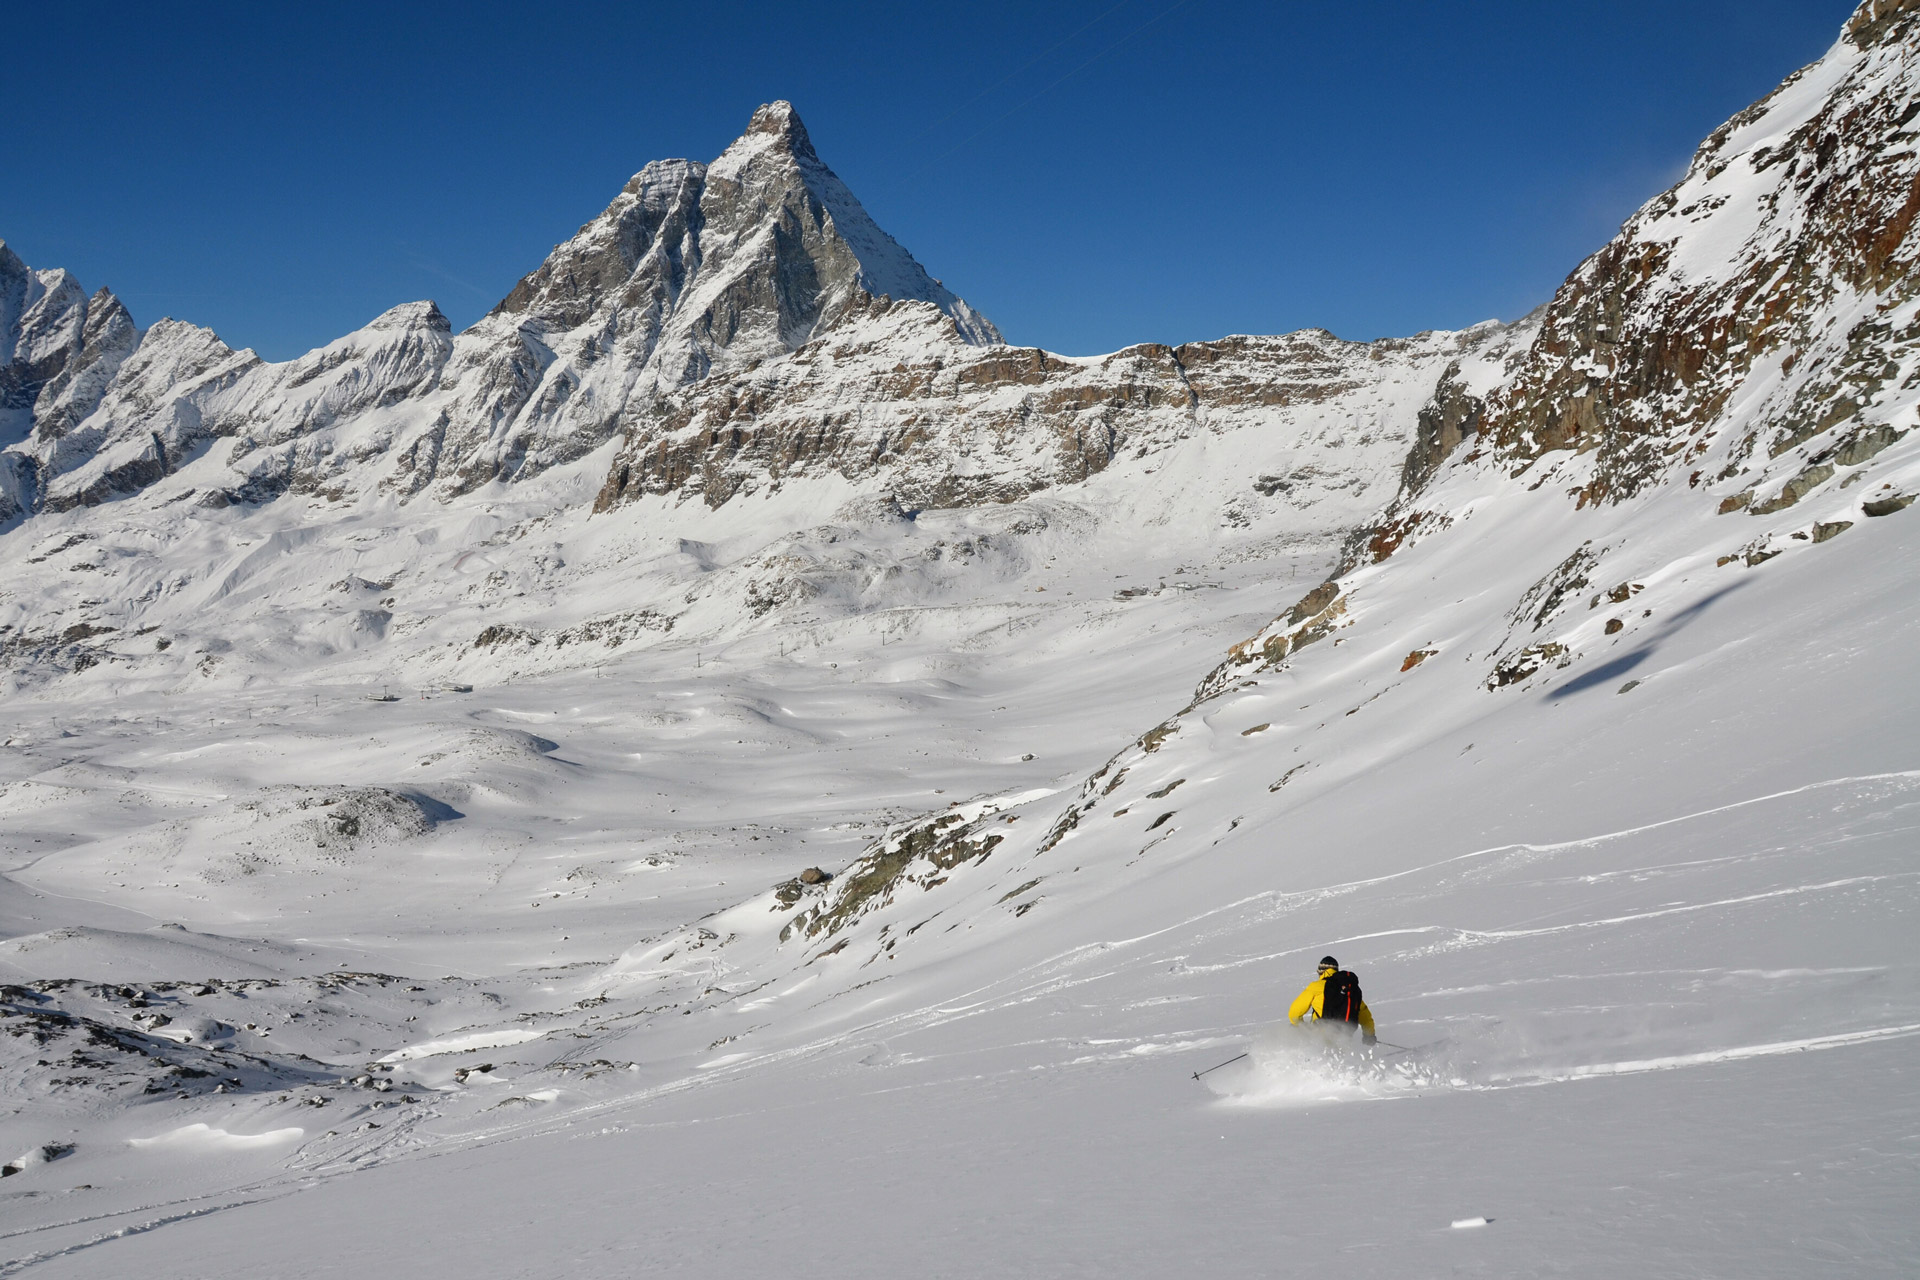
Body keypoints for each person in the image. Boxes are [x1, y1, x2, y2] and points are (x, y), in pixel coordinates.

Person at [1288, 955, 1376, 1045]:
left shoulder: (1317, 986)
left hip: (1320, 1035)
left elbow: (1295, 1012)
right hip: (1344, 1036)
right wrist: (1369, 1035)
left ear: (1321, 972)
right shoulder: (1350, 989)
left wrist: (1300, 1026)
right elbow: (1366, 1017)